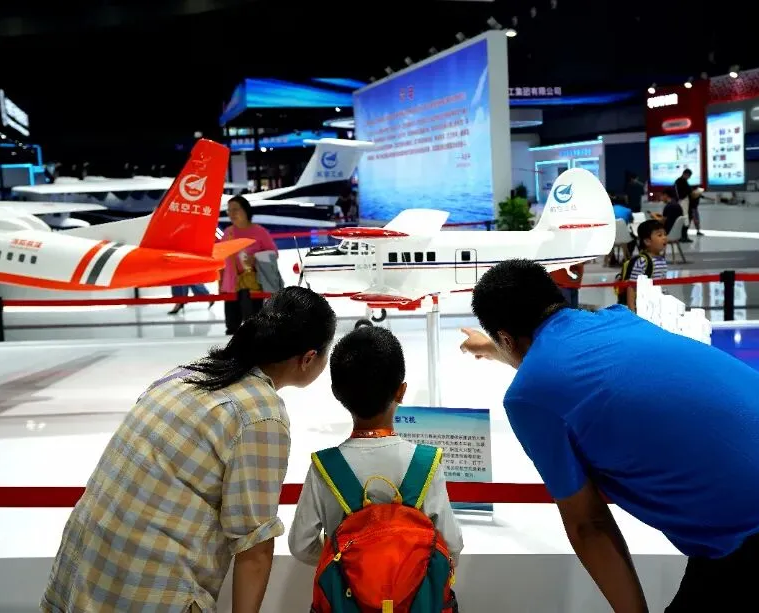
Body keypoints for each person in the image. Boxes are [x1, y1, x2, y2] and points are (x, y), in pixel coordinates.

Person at [458, 259, 759, 613]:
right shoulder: (618, 321)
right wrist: (495, 350)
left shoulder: (529, 397)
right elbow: (560, 363)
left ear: (506, 336)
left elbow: (588, 524)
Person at [42, 287, 337, 613]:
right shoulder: (260, 412)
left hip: (81, 574)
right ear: (309, 358)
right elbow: (254, 546)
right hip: (145, 590)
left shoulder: (189, 374)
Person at [289, 326, 463, 607]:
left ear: (337, 393)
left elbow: (300, 544)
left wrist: (348, 561)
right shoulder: (426, 463)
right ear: (401, 391)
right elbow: (453, 542)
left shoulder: (324, 468)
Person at [221, 196, 279, 335]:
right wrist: (220, 281)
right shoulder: (228, 232)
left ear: (246, 210)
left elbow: (274, 253)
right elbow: (222, 256)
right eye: (229, 210)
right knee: (232, 325)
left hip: (253, 282)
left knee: (253, 324)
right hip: (232, 283)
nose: (231, 213)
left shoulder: (259, 232)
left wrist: (256, 258)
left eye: (235, 209)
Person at [618, 219, 669, 311]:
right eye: (659, 235)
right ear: (647, 241)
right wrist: (632, 310)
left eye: (665, 234)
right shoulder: (642, 261)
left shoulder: (662, 259)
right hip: (644, 306)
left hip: (658, 304)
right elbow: (632, 286)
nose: (664, 238)